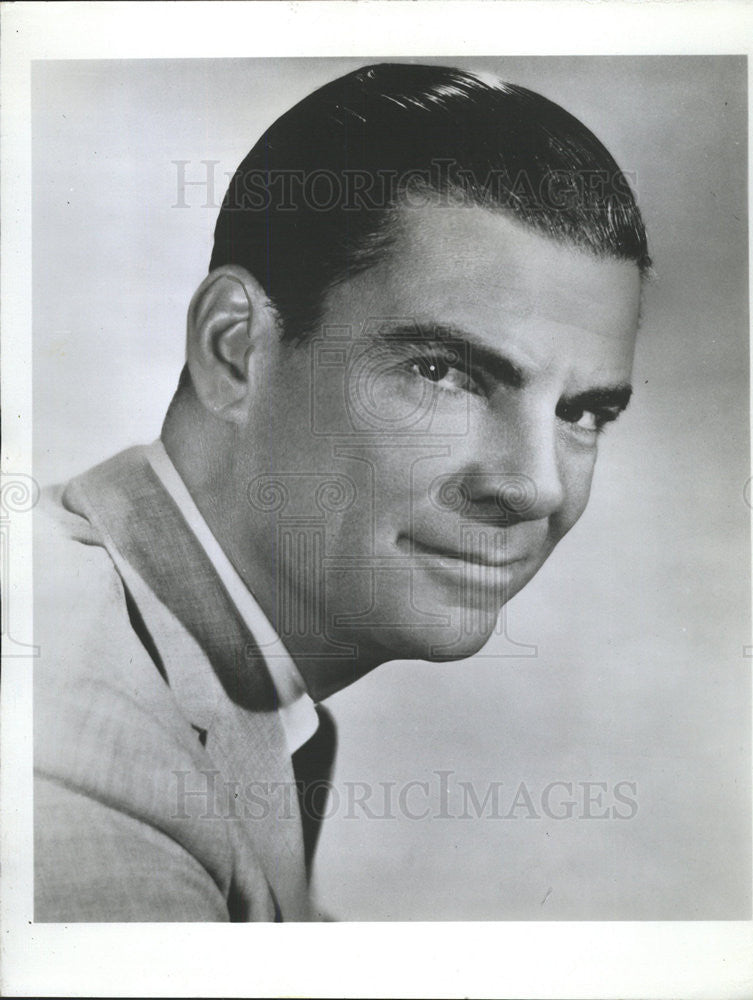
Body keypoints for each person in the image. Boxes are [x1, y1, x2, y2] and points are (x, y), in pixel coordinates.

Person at [34, 62, 649, 921]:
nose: (534, 485)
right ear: (234, 351)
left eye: (583, 412)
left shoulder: (200, 678)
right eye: (445, 373)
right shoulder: (77, 763)